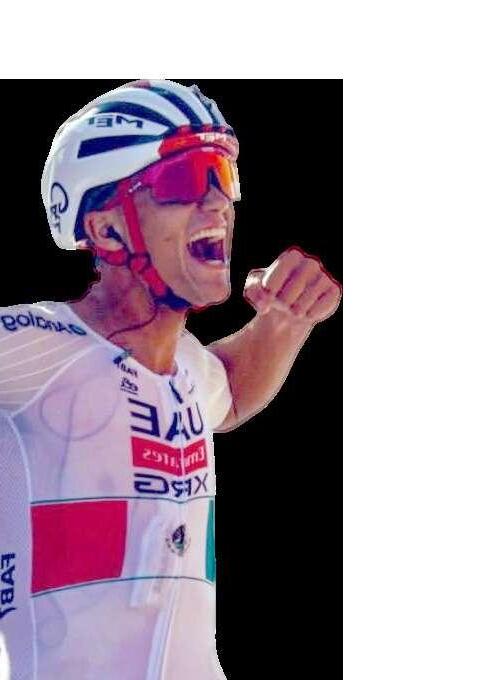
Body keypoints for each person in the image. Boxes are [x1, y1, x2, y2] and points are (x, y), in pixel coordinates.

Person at [0, 79, 341, 680]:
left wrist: (285, 321)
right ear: (106, 230)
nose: (218, 204)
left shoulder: (188, 368)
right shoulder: (36, 344)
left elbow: (230, 391)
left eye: (223, 178)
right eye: (183, 182)